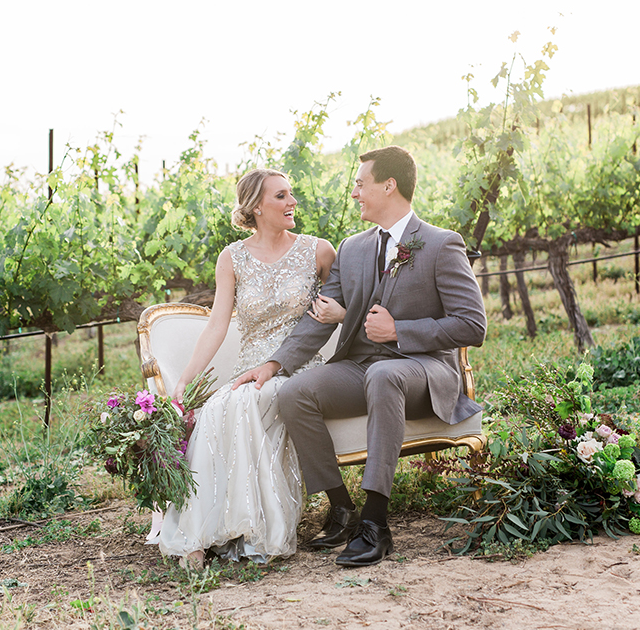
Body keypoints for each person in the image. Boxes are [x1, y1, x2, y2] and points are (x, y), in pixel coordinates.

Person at [233, 146, 487, 567]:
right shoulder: (351, 248)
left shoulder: (442, 244)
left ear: (388, 186)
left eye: (359, 183)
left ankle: (376, 523)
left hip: (423, 372)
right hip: (361, 367)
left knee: (385, 375)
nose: (354, 193)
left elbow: (472, 325)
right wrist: (274, 364)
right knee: (295, 392)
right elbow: (319, 319)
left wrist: (400, 331)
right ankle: (342, 508)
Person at [152, 168, 339, 569]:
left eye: (291, 194)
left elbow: (348, 304)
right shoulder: (232, 257)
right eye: (281, 196)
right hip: (248, 366)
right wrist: (185, 378)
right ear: (256, 206)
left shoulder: (318, 250)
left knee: (251, 400)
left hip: (297, 366)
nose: (292, 203)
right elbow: (217, 324)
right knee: (218, 409)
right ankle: (198, 534)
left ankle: (252, 529)